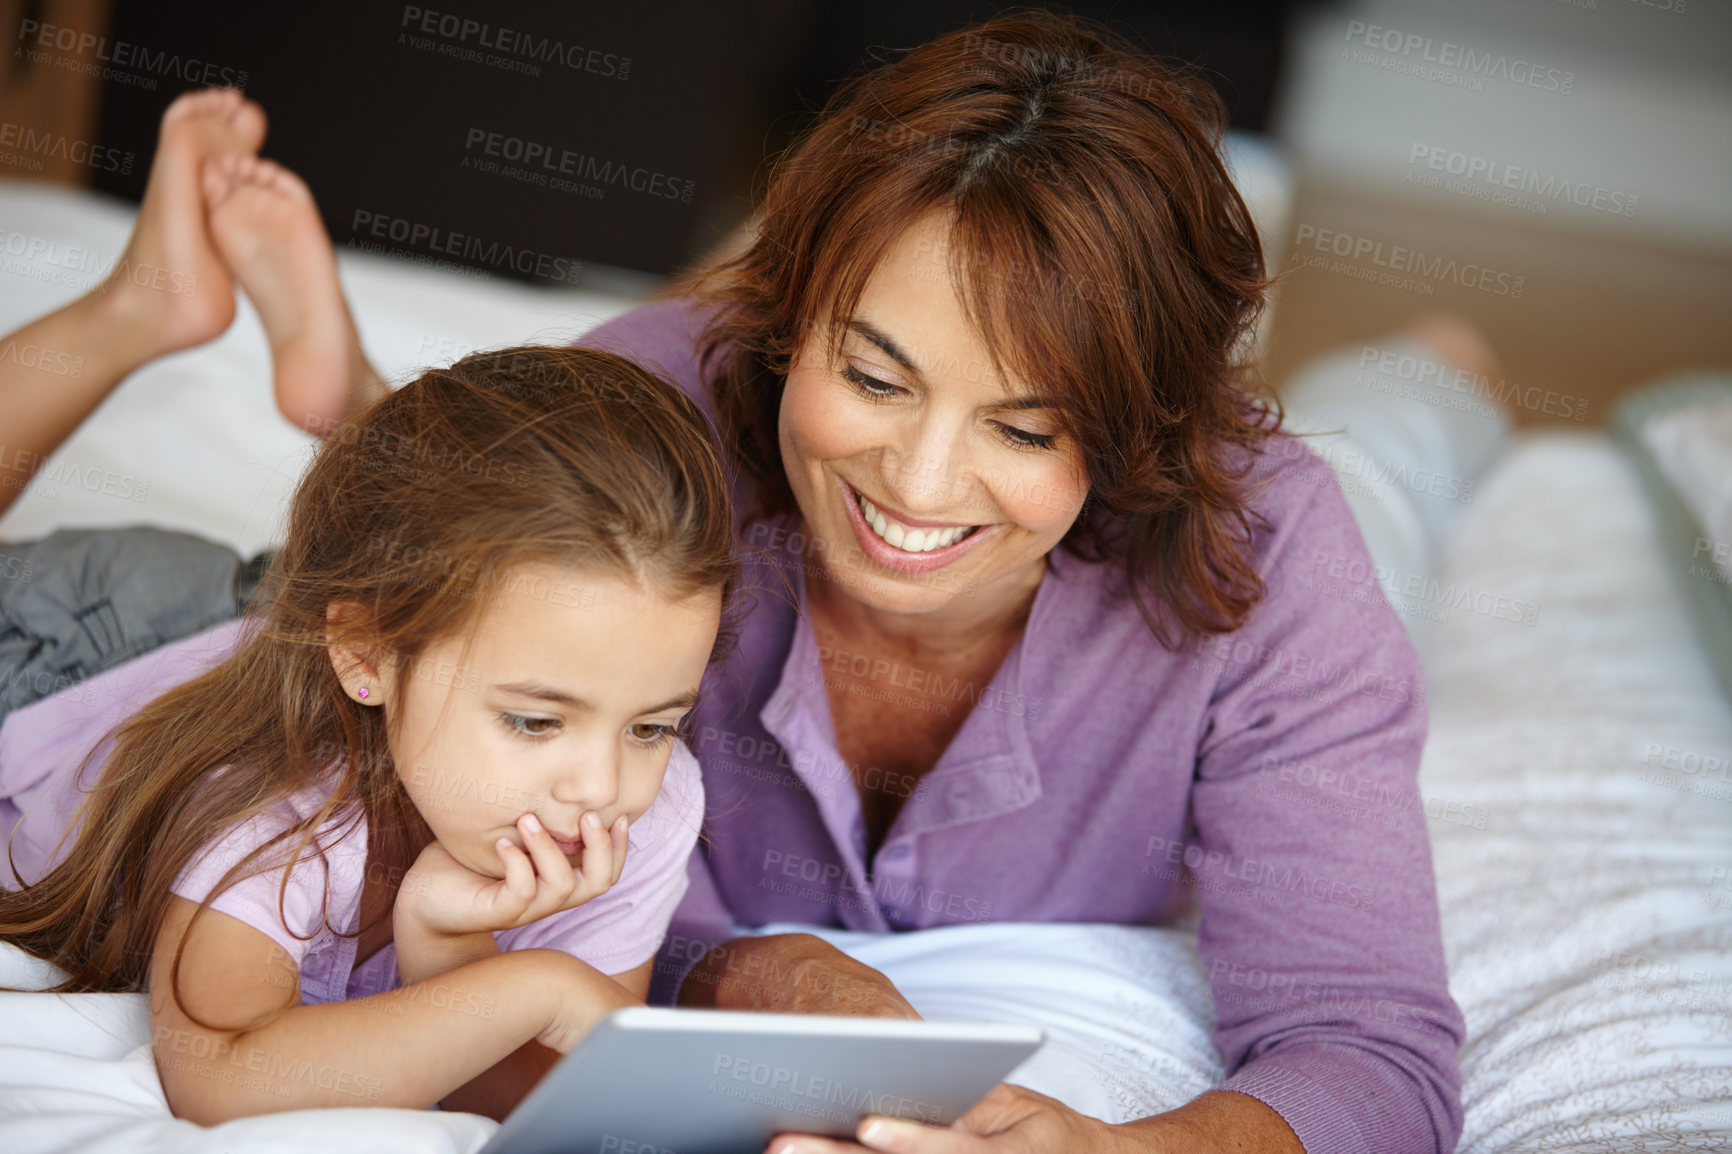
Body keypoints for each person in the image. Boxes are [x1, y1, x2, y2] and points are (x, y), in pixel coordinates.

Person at [0, 12, 1477, 1152]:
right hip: (247, 611)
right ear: (791, 326)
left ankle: (1439, 375)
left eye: (1026, 426)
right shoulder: (663, 413)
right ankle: (207, 333)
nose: (917, 481)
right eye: (870, 374)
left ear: (1139, 433)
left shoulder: (1265, 552)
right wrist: (752, 986)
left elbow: (1372, 1048)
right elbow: (427, 542)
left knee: (1392, 471)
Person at [0, 90, 739, 1124]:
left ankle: (344, 394)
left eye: (654, 723)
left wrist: (451, 948)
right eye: (535, 718)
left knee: (452, 554)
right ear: (365, 654)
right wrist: (532, 985)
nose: (602, 785)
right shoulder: (279, 799)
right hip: (81, 649)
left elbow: (544, 1095)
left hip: (347, 626)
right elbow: (219, 1072)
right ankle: (141, 305)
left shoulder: (645, 807)